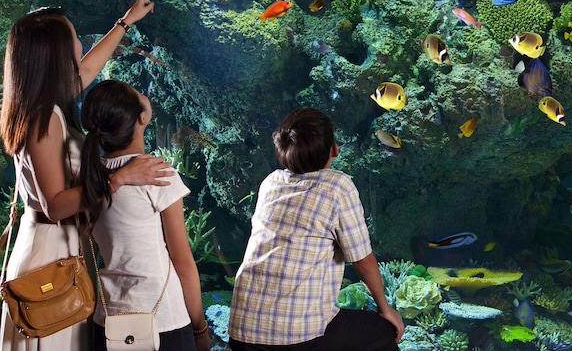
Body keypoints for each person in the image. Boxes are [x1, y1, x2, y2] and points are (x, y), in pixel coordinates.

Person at [0, 0, 173, 350]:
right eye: (75, 37)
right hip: (48, 255)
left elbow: (91, 67)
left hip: (64, 248)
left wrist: (126, 21)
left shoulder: (47, 103)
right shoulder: (43, 120)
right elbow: (55, 205)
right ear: (55, 53)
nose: (80, 45)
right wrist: (120, 177)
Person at [229, 108, 404, 351]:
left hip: (241, 332)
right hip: (295, 336)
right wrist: (385, 309)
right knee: (382, 332)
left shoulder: (270, 182)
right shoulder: (338, 186)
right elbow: (362, 259)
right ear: (334, 148)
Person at [79, 80, 210, 351]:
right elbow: (182, 261)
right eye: (140, 95)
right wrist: (200, 327)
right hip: (164, 321)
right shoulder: (158, 174)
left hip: (108, 321)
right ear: (141, 117)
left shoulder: (88, 178)